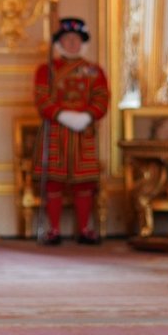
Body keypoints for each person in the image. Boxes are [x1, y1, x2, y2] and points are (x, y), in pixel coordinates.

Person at [32, 17, 109, 245]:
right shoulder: (46, 70)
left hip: (83, 134)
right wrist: (63, 115)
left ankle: (84, 229)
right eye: (68, 39)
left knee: (84, 184)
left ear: (82, 42)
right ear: (60, 42)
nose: (72, 43)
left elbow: (102, 99)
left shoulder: (95, 71)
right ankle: (53, 230)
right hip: (55, 132)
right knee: (53, 182)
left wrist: (85, 117)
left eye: (76, 39)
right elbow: (42, 99)